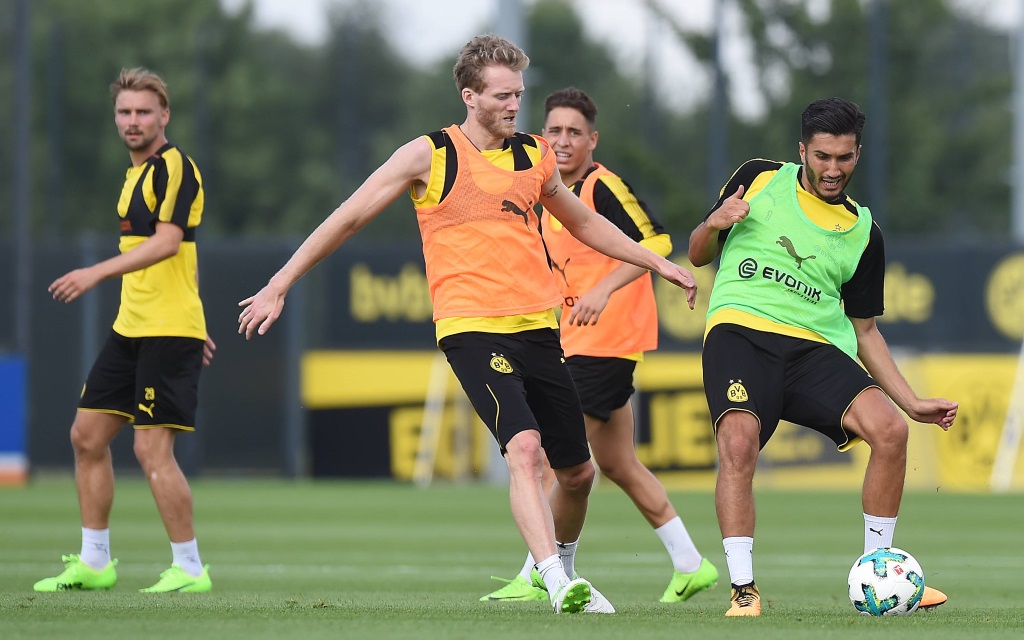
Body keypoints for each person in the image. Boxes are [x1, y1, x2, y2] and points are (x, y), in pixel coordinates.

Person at [237, 35, 698, 614]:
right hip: (471, 327)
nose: (515, 106)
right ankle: (555, 582)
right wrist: (280, 283)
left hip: (538, 328)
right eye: (503, 96)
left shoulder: (534, 156)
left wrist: (658, 263)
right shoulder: (428, 155)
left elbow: (584, 223)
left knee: (579, 474)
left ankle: (567, 570)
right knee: (524, 448)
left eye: (519, 95)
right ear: (469, 95)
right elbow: (349, 215)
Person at [687, 97, 957, 617]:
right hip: (741, 332)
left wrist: (910, 401)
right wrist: (715, 223)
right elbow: (698, 253)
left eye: (845, 158)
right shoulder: (758, 177)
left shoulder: (864, 232)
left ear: (858, 155)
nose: (833, 169)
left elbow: (865, 331)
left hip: (814, 347)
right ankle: (744, 591)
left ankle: (882, 576)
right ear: (802, 152)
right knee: (739, 446)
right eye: (822, 157)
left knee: (892, 432)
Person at [479, 87, 718, 606]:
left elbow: (657, 244)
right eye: (554, 131)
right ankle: (690, 563)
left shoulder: (603, 186)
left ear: (593, 139)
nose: (562, 141)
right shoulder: (545, 188)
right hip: (576, 341)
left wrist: (604, 289)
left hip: (606, 343)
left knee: (551, 458)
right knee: (617, 463)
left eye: (573, 132)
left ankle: (538, 571)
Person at [35, 67, 216, 594]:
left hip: (165, 330)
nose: (132, 121)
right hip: (133, 326)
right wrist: (196, 310)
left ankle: (189, 568)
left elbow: (168, 242)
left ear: (164, 115)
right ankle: (95, 562)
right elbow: (185, 258)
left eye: (143, 111)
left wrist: (93, 272)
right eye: (124, 112)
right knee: (86, 437)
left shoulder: (175, 167)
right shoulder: (135, 173)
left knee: (150, 451)